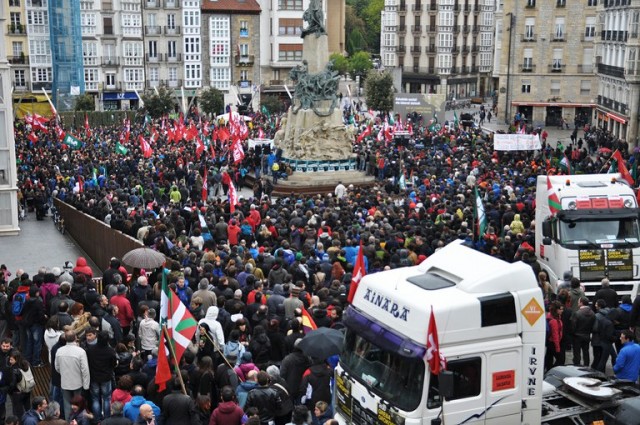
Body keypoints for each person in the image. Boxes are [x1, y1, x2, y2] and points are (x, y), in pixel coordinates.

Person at [54, 331, 90, 421]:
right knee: (79, 405)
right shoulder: (81, 352)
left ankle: (69, 422)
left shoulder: (59, 351)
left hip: (65, 383)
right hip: (78, 383)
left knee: (67, 405)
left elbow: (57, 367)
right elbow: (85, 370)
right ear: (75, 338)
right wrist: (86, 385)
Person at [570, 297, 595, 366]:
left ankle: (577, 366)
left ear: (581, 303)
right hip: (587, 335)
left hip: (577, 337)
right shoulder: (592, 313)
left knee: (577, 353)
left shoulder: (577, 313)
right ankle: (586, 366)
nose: (578, 303)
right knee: (586, 352)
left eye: (578, 302)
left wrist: (573, 333)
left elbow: (573, 326)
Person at [545, 301, 564, 372]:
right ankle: (551, 371)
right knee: (560, 360)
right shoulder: (554, 321)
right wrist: (558, 348)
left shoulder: (553, 316)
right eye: (561, 309)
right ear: (556, 310)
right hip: (553, 342)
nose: (562, 310)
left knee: (549, 359)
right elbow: (555, 335)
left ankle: (548, 371)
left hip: (550, 342)